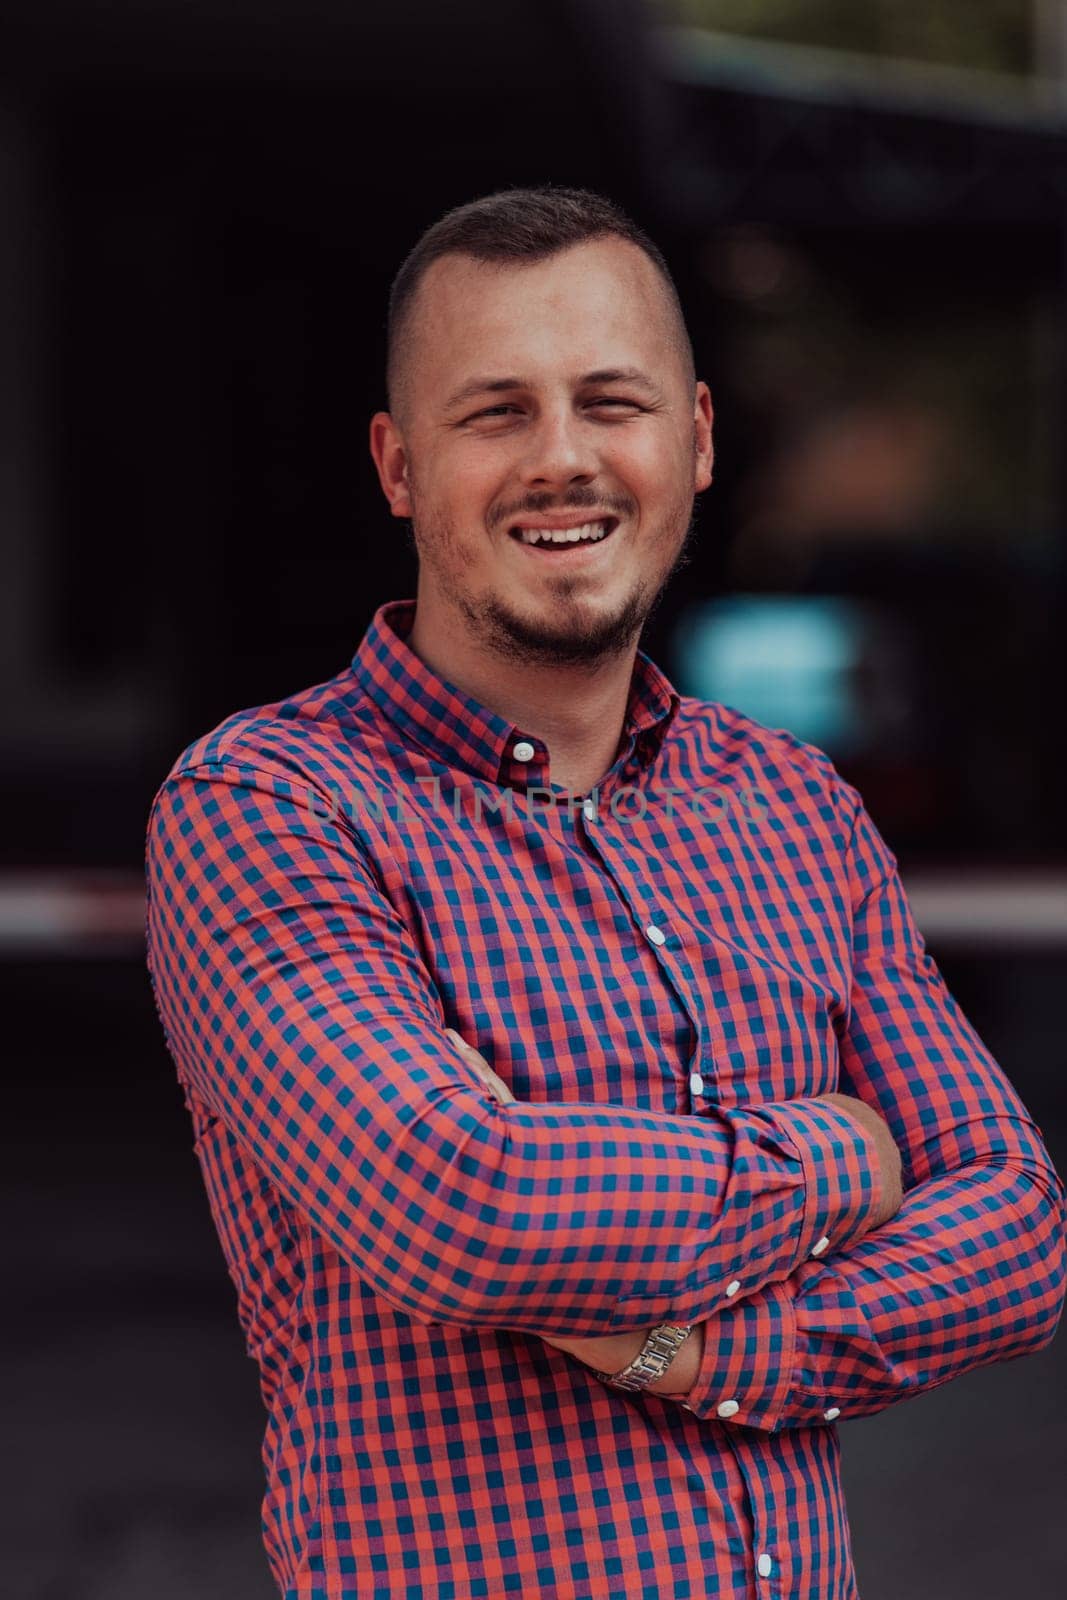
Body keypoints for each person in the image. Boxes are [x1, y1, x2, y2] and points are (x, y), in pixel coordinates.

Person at [144, 185, 1066, 1600]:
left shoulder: (795, 806)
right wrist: (844, 1155)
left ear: (693, 441)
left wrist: (701, 1349)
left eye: (610, 402)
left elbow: (1016, 1227)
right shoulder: (271, 809)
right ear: (398, 465)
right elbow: (466, 1205)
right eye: (494, 412)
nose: (562, 459)